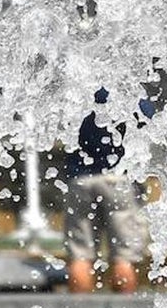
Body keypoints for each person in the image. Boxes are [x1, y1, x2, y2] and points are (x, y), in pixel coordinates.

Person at [63, 88, 153, 294]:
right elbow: (150, 116)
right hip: (120, 180)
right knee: (124, 257)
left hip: (81, 179)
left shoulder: (80, 91)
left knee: (80, 255)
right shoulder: (126, 90)